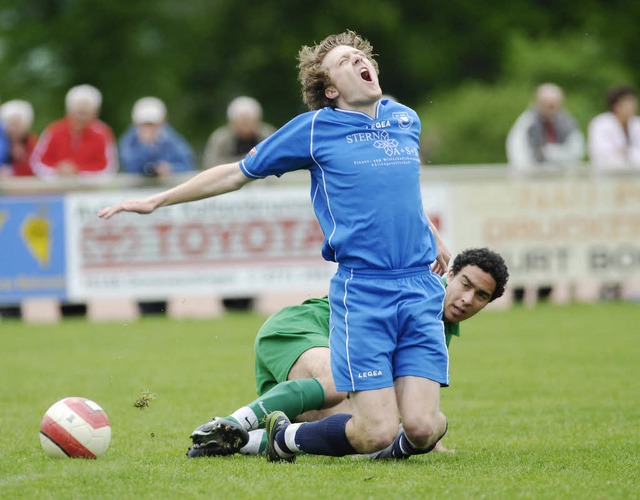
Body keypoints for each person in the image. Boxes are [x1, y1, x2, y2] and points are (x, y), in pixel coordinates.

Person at [98, 30, 450, 462]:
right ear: (331, 88)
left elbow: (398, 194)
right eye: (345, 60)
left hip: (418, 286)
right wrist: (158, 199)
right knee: (376, 432)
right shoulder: (316, 129)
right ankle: (281, 438)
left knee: (422, 428)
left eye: (361, 54)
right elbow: (234, 173)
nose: (360, 59)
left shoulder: (405, 119)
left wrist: (434, 236)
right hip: (364, 290)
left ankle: (412, 432)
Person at [187, 248, 509, 459]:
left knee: (363, 429)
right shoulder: (421, 294)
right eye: (465, 284)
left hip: (313, 372)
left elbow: (411, 395)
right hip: (302, 328)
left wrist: (425, 436)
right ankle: (228, 423)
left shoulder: (442, 328)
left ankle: (248, 441)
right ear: (449, 275)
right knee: (340, 379)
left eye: (481, 295)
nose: (468, 299)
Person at [30, 84, 118, 180]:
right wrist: (57, 171)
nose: (80, 117)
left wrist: (79, 172)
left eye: (85, 113)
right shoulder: (53, 130)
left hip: (90, 192)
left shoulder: (103, 133)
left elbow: (109, 168)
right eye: (77, 112)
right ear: (68, 111)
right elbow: (37, 162)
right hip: (56, 190)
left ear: (95, 113)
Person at [506, 83, 584, 170]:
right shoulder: (526, 122)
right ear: (537, 103)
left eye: (553, 106)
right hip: (533, 175)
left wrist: (551, 153)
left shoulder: (568, 123)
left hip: (562, 175)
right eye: (546, 105)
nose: (551, 110)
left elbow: (577, 153)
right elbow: (518, 155)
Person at [119, 96, 196, 177]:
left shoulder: (173, 140)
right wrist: (146, 146)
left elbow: (188, 165)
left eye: (152, 124)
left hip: (169, 187)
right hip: (138, 189)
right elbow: (130, 167)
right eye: (144, 124)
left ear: (163, 121)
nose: (148, 128)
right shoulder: (129, 141)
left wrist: (170, 169)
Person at [202, 96, 275, 168]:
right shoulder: (220, 138)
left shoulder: (268, 135)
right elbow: (210, 164)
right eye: (241, 122)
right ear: (231, 122)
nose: (245, 127)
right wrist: (248, 161)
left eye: (249, 121)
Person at [588, 85, 640, 171]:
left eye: (633, 101)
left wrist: (626, 153)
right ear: (616, 105)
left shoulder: (637, 124)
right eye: (628, 102)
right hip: (607, 178)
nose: (633, 106)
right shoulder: (600, 124)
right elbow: (602, 155)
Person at [0, 99, 38, 177]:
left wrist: (22, 160)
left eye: (18, 125)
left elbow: (37, 168)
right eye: (11, 124)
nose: (14, 129)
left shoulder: (31, 142)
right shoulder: (3, 143)